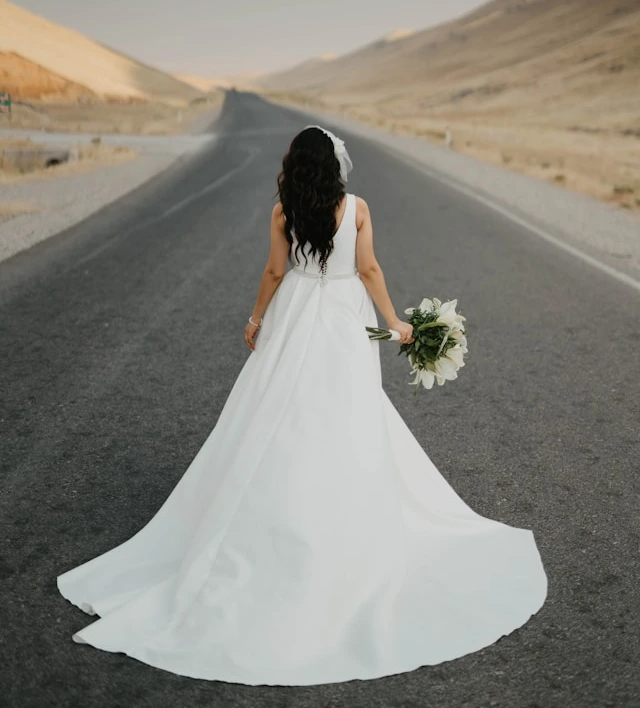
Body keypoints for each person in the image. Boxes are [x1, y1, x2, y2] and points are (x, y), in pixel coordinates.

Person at [57, 125, 547, 686]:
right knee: (346, 411)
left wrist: (256, 318)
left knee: (277, 410)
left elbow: (274, 271)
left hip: (296, 312)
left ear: (296, 165)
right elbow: (368, 270)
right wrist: (395, 323)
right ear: (336, 165)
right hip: (344, 316)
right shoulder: (358, 207)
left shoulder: (284, 212)